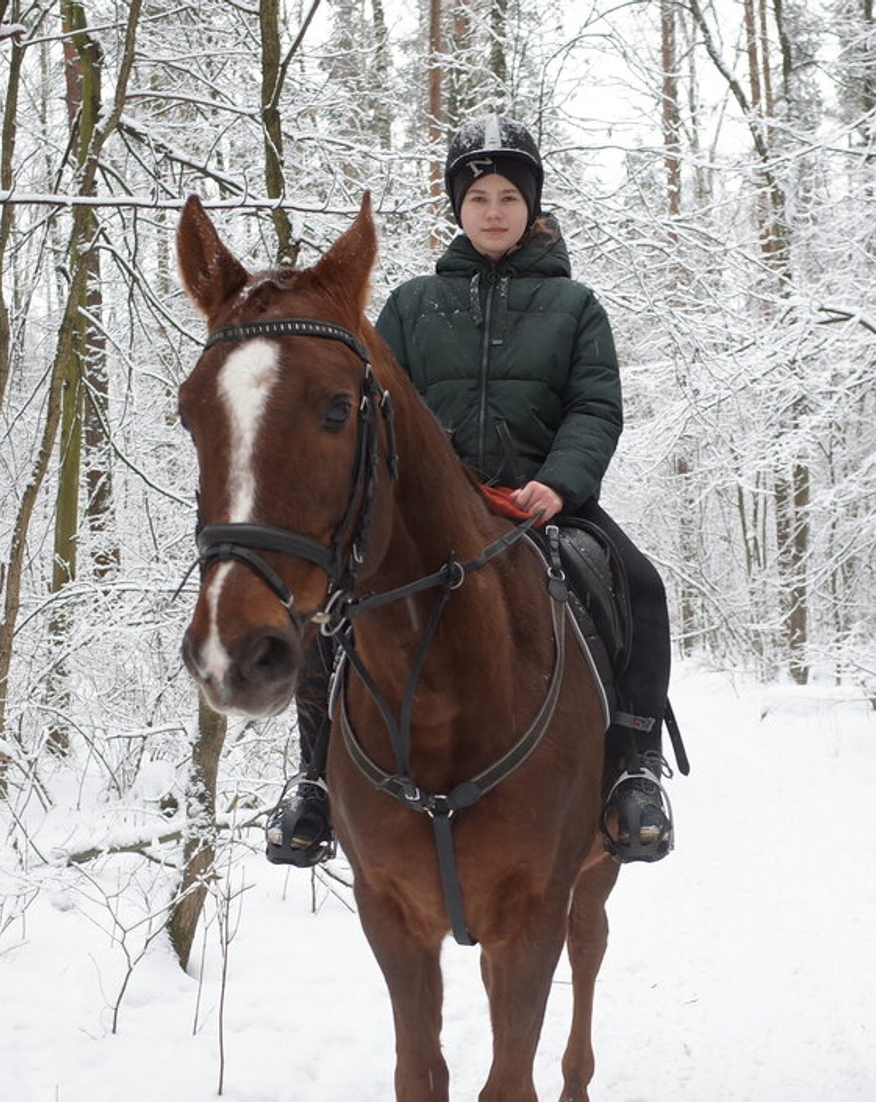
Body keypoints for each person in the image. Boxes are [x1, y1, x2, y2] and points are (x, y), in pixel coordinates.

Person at [265, 113, 678, 867]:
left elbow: (596, 407)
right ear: (457, 208)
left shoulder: (576, 308)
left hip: (545, 507)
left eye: (509, 197)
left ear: (532, 206)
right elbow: (376, 410)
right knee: (329, 604)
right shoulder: (411, 307)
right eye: (479, 195)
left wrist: (558, 483)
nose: (493, 210)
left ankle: (633, 771)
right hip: (430, 518)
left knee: (640, 586)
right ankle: (313, 781)